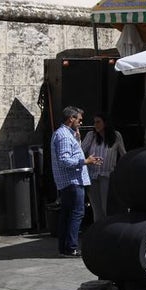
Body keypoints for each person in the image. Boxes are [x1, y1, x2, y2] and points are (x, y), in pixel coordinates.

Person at [50, 106, 103, 258]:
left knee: (67, 214)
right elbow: (65, 160)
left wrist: (78, 139)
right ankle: (70, 247)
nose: (81, 122)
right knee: (76, 214)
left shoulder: (66, 134)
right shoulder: (64, 136)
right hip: (72, 181)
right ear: (71, 119)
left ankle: (65, 248)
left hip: (69, 182)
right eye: (79, 119)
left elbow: (70, 154)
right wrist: (86, 161)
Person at [80, 112, 126, 221]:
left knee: (107, 208)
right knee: (97, 209)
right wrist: (88, 160)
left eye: (98, 122)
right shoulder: (91, 136)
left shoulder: (116, 136)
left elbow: (123, 154)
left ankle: (108, 231)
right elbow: (81, 152)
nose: (95, 125)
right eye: (94, 122)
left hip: (107, 176)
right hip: (93, 176)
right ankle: (99, 233)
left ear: (105, 123)